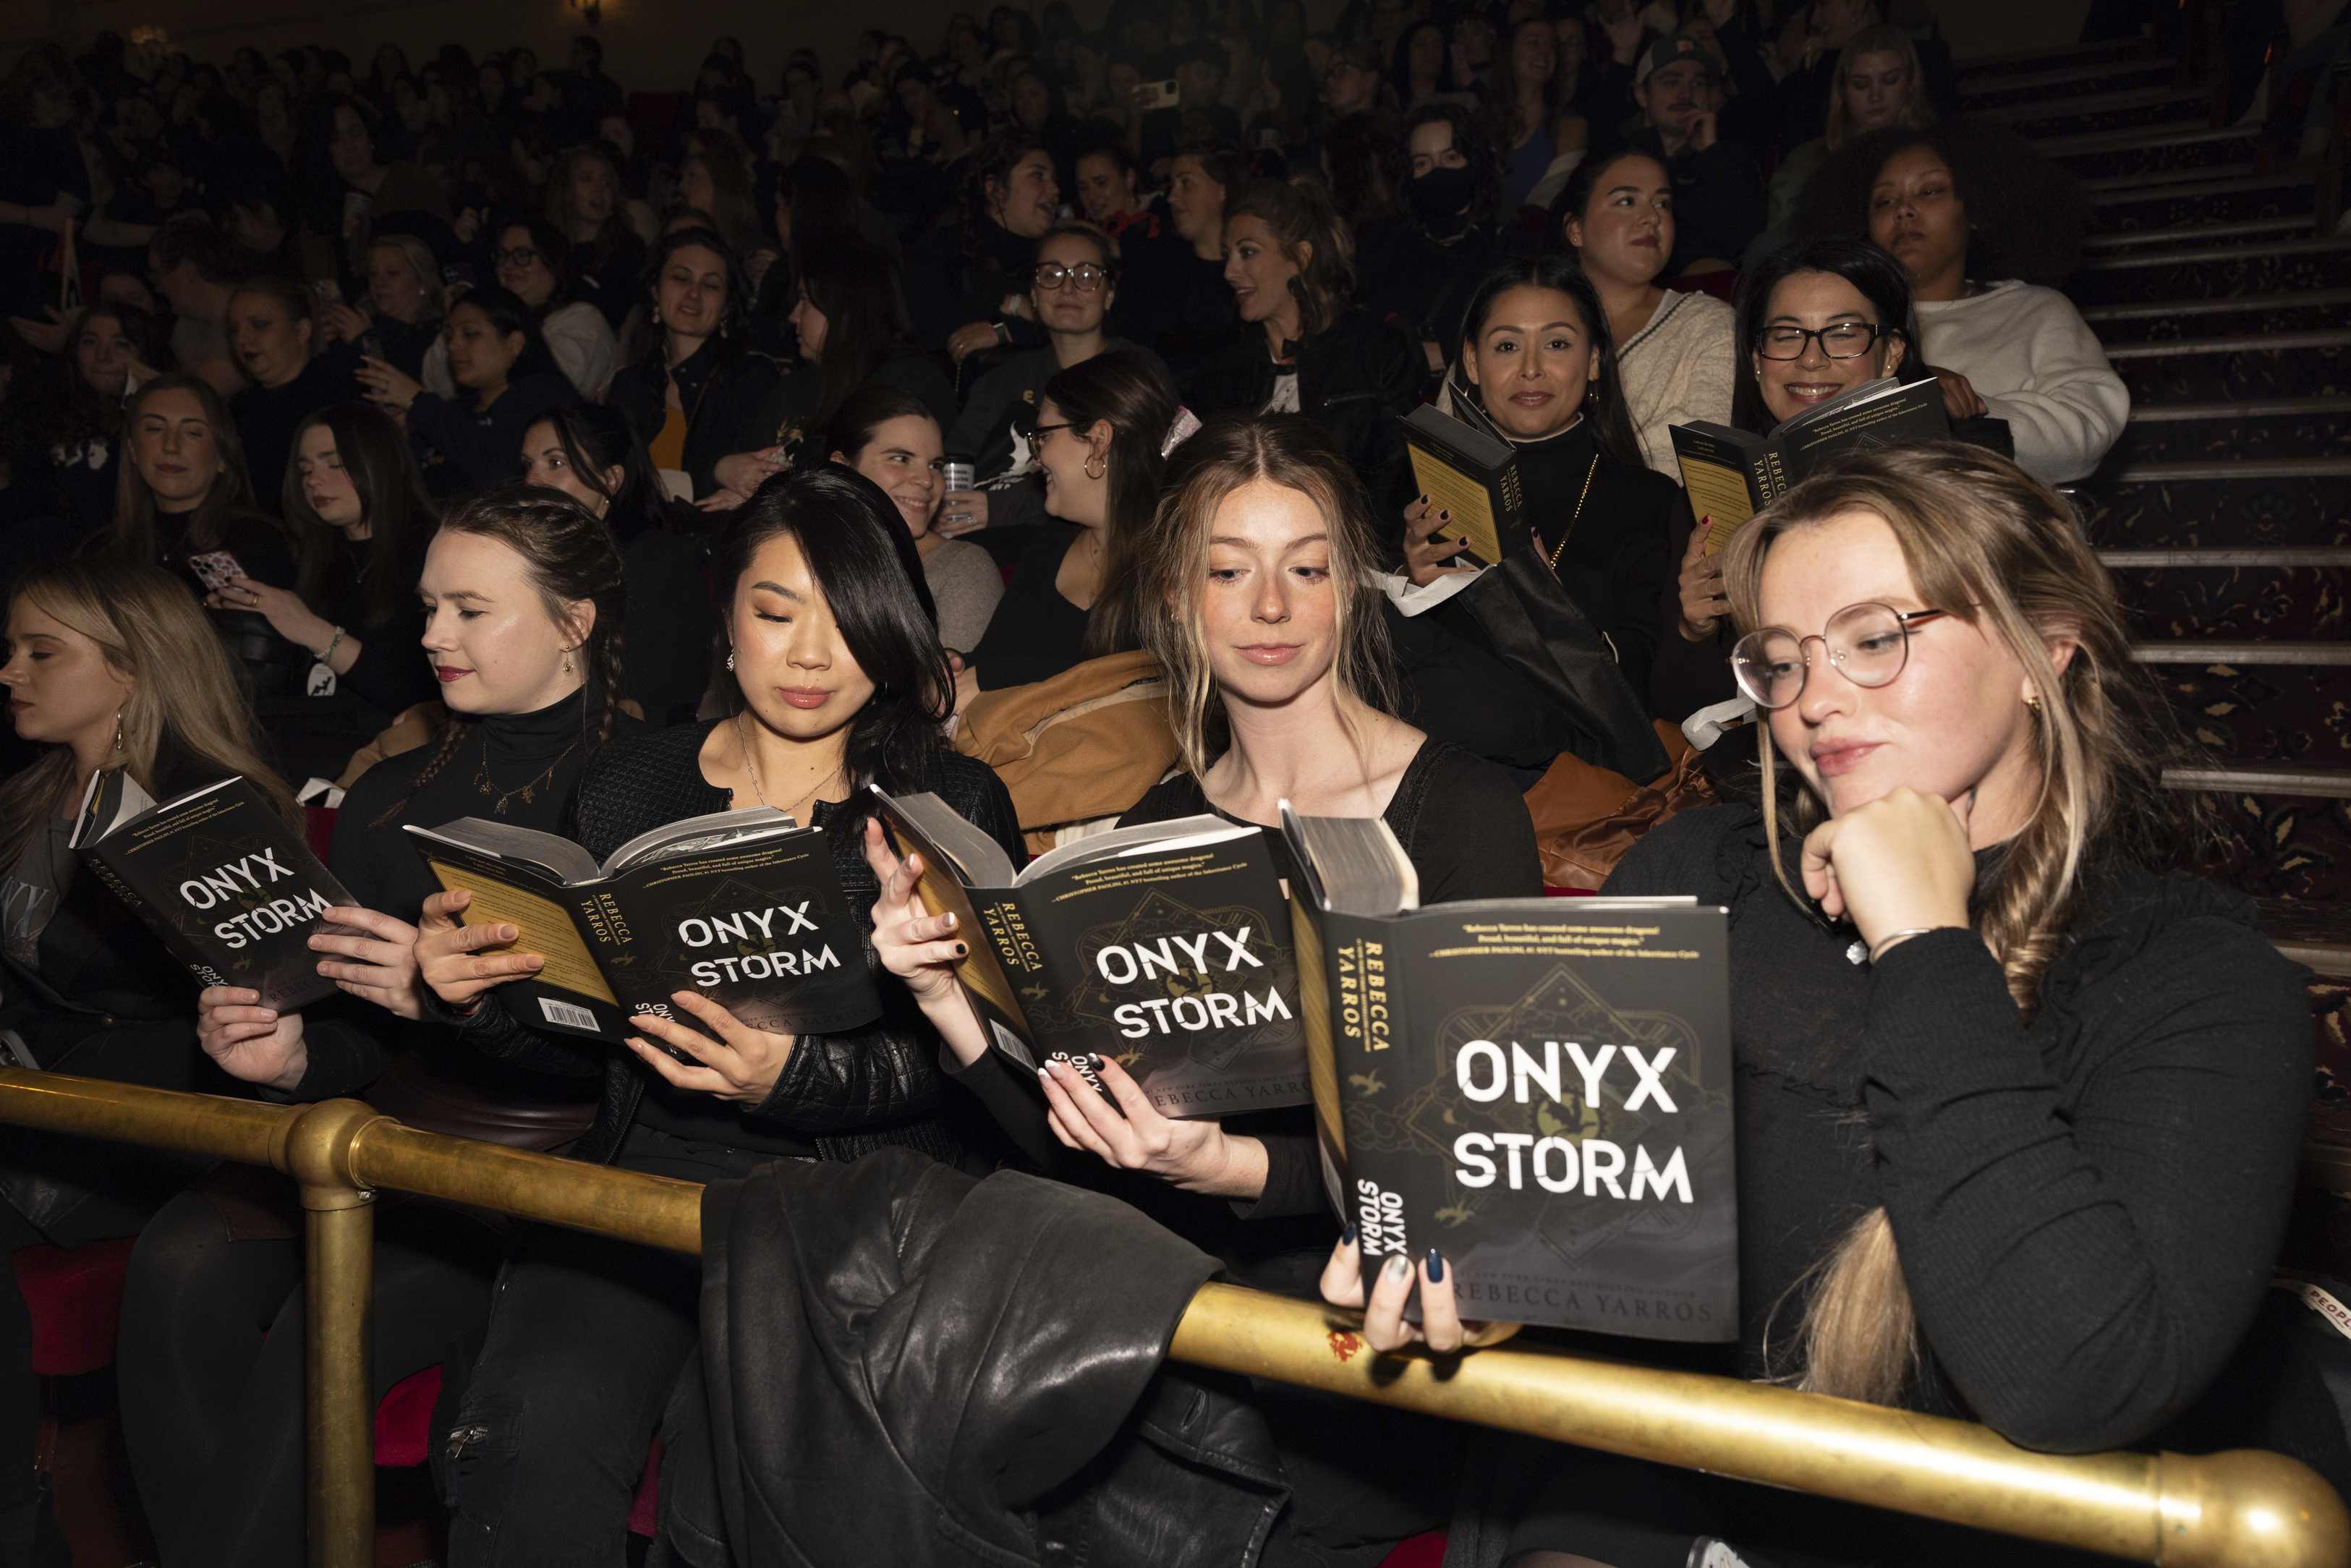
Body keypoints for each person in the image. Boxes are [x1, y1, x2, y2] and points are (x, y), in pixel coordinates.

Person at [1348, 443, 2311, 1567]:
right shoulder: (1692, 874)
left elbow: (2071, 1384)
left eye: (1872, 638)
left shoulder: (2189, 976)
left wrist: (1922, 942)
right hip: (1662, 1486)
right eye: (1784, 659)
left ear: (2043, 650)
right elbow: (1570, 1258)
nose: (1816, 699)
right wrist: (1474, 1273)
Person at [410, 467, 1021, 1560]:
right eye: (775, 612)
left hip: (837, 1207)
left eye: (846, 622)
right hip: (637, 1185)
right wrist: (469, 997)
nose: (809, 656)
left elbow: (970, 1068)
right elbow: (579, 1039)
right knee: (532, 1439)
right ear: (726, 614)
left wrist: (790, 1079)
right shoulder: (626, 784)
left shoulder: (947, 803)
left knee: (731, 1480)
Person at [135, 486, 637, 1567]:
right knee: (178, 1264)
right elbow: (366, 1030)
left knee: (329, 1322)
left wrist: (441, 1001)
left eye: (469, 609)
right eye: (426, 607)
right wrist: (293, 1057)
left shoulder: (643, 791)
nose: (429, 636)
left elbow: (631, 1049)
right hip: (386, 1132)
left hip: (549, 1165)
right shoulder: (393, 792)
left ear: (574, 622)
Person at [0, 554, 302, 1567]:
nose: (11, 672)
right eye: (14, 649)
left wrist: (44, 1072)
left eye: (43, 653)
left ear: (130, 670)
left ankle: (21, 1531)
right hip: (46, 1104)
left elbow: (253, 1032)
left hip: (152, 1132)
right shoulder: (36, 794)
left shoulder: (203, 813)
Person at [1393, 255, 1678, 764]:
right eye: (1506, 346)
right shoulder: (1411, 486)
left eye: (1557, 344)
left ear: (1593, 361)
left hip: (1572, 779)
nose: (1530, 369)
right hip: (1423, 760)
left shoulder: (1652, 502)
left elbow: (1650, 696)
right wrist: (1411, 588)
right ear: (1473, 364)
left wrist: (1555, 612)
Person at [1665, 236, 1927, 723]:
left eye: (1843, 332)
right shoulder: (1712, 495)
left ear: (1890, 353)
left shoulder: (1950, 478)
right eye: (1786, 335)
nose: (1811, 359)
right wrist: (1694, 627)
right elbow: (1681, 712)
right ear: (1757, 357)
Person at [1829, 123, 2126, 485]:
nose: (1904, 210)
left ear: (1976, 211)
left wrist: (1967, 411)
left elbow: (2090, 429)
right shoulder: (1840, 326)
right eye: (1885, 201)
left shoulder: (2035, 311)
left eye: (1930, 191)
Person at [204, 400, 441, 747]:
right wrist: (244, 622)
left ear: (382, 464)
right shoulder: (313, 555)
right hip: (310, 740)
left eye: (335, 463)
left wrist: (313, 631)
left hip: (387, 752)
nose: (314, 480)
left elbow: (425, 696)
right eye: (305, 469)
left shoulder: (434, 552)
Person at [960, 349, 1178, 699]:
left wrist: (1001, 677)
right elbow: (993, 659)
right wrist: (959, 665)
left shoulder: (1178, 561)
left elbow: (1155, 689)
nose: (1037, 455)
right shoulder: (1052, 542)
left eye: (1043, 435)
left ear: (1098, 441)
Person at [1192, 176, 1420, 490]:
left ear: (1300, 257)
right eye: (1227, 254)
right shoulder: (1224, 369)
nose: (1229, 273)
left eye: (1247, 252)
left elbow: (1397, 487)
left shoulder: (1374, 352)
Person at [948, 225, 1170, 516]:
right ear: (1034, 295)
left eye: (1087, 275)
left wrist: (1006, 507)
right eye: (1051, 275)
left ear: (1110, 295)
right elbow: (955, 467)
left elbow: (1155, 477)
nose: (1068, 288)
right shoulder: (1000, 381)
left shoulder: (1141, 370)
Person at [519, 403, 716, 726]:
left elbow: (631, 697)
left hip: (638, 747)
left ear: (611, 479)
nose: (532, 480)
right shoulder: (535, 557)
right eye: (527, 464)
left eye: (556, 462)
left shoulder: (657, 558)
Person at [717, 240, 955, 503]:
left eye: (806, 301)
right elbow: (742, 457)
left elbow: (869, 484)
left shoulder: (909, 380)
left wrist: (771, 496)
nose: (794, 316)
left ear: (844, 309)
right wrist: (725, 469)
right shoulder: (794, 386)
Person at [1558, 148, 1735, 480]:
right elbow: (1457, 438)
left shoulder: (1709, 324)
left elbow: (1698, 457)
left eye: (1662, 204)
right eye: (1626, 201)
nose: (1652, 217)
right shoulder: (1521, 317)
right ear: (1576, 229)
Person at [605, 226, 780, 502]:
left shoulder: (752, 377)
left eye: (710, 285)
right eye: (681, 278)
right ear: (655, 291)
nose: (694, 294)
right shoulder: (628, 384)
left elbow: (759, 480)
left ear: (726, 307)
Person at [826, 384, 1003, 652]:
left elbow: (953, 692)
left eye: (936, 466)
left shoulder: (961, 570)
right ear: (842, 469)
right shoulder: (794, 551)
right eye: (900, 458)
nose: (927, 480)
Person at [360, 286, 576, 495]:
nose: (453, 346)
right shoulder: (455, 411)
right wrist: (399, 437)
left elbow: (500, 474)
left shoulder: (546, 397)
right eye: (450, 336)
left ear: (515, 343)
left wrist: (419, 401)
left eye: (470, 333)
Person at [102, 373, 297, 596]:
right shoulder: (103, 551)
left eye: (193, 432)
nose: (171, 446)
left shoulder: (256, 544)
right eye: (155, 428)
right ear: (133, 449)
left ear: (223, 456)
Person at [1356, 103, 1511, 374]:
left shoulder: (1507, 244)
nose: (1437, 171)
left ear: (1474, 161)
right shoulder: (1383, 242)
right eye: (1423, 162)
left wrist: (1443, 354)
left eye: (1451, 158)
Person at [1617, 33, 1765, 277]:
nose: (1686, 94)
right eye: (1671, 82)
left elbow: (1748, 238)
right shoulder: (1615, 156)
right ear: (1642, 95)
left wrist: (1711, 153)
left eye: (1698, 84)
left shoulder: (1728, 155)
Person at [906, 135, 1060, 363]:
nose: (1055, 190)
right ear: (995, 189)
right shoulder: (942, 248)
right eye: (1037, 176)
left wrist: (1004, 329)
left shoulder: (1061, 256)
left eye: (1054, 179)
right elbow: (934, 326)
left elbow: (1082, 324)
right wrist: (1017, 306)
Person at [1766, 22, 1932, 234]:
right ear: (1843, 91)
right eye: (1861, 84)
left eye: (1889, 81)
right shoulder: (1805, 161)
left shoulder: (1937, 152)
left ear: (1911, 84)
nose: (1875, 96)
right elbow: (1777, 244)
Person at [423, 217, 616, 400]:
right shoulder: (491, 320)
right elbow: (438, 387)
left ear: (552, 261)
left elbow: (549, 389)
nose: (508, 264)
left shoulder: (582, 319)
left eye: (522, 255)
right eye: (502, 255)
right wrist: (458, 322)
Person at [226, 275, 365, 518]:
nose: (241, 339)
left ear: (302, 331)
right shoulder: (237, 408)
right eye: (234, 329)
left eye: (259, 325)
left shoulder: (338, 396)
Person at [1123, 142, 1243, 385]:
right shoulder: (1155, 267)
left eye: (1186, 183)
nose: (1172, 197)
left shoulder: (1251, 269)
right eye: (1172, 184)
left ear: (1223, 191)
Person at [1486, 17, 1588, 213]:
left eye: (1551, 46)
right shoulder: (1481, 123)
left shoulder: (1571, 126)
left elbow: (1551, 203)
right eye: (1533, 43)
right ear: (1510, 53)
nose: (1545, 52)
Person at [147, 218, 255, 397]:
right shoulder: (188, 322)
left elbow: (191, 401)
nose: (157, 288)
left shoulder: (250, 322)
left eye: (158, 274)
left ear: (187, 271)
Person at [317, 233, 446, 381]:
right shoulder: (365, 319)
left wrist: (363, 341)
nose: (379, 282)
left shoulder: (437, 334)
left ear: (422, 282)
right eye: (373, 274)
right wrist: (321, 346)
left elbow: (407, 387)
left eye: (392, 274)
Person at [546, 144, 644, 331]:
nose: (599, 188)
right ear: (565, 190)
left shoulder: (629, 251)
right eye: (586, 179)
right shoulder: (549, 248)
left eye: (606, 182)